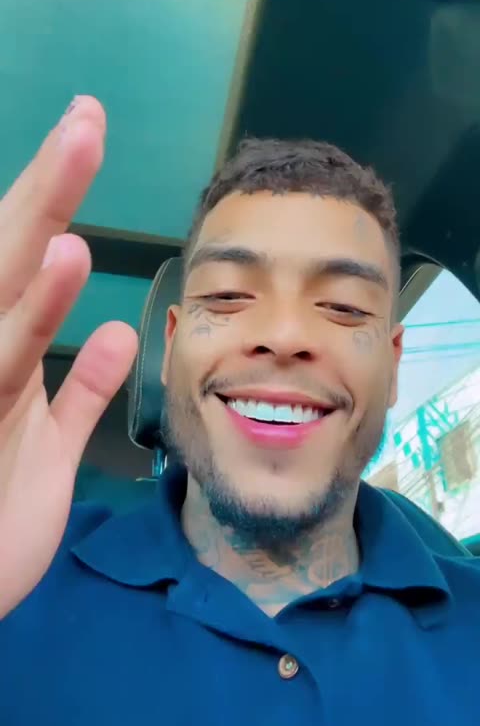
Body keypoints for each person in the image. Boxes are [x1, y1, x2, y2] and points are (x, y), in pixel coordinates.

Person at [0, 95, 478, 725]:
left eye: (343, 307)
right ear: (171, 346)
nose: (283, 336)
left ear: (392, 366)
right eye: (227, 295)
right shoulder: (21, 574)